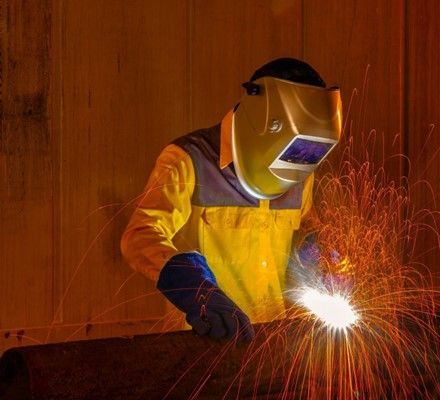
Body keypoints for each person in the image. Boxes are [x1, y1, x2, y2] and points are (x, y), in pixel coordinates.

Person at [120, 58, 342, 340]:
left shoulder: (300, 173)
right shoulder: (189, 160)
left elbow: (304, 228)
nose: (298, 162)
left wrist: (318, 250)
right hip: (203, 345)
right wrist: (194, 286)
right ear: (263, 120)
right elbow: (140, 236)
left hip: (271, 344)